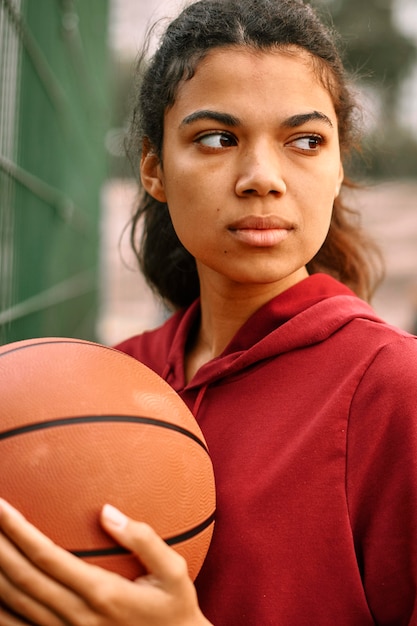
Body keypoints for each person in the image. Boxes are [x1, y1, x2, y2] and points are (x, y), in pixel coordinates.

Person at [0, 0, 417, 624]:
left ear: (337, 167)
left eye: (305, 140)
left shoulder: (396, 390)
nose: (261, 177)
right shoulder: (106, 380)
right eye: (218, 138)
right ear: (154, 168)